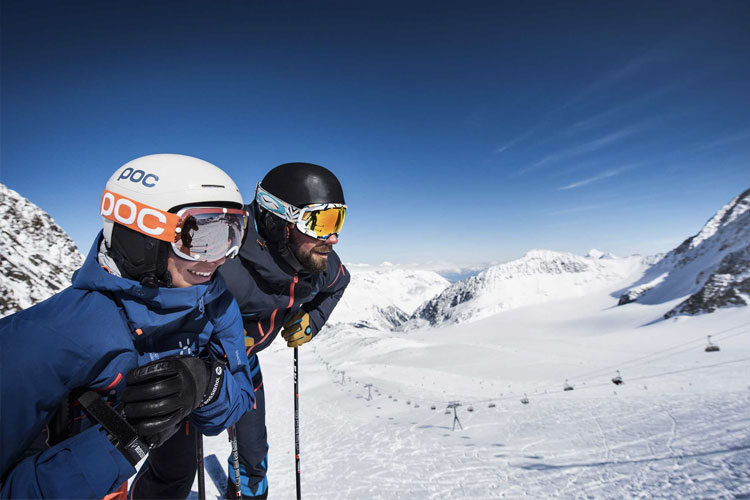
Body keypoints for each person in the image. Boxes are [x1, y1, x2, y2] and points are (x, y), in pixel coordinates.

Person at [0, 154, 255, 499]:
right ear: (141, 234)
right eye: (201, 236)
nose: (220, 257)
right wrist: (123, 439)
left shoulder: (214, 302)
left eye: (232, 234)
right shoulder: (38, 342)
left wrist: (206, 384)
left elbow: (236, 401)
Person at [218, 162, 350, 498]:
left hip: (243, 364)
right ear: (279, 221)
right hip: (190, 369)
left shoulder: (315, 263)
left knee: (252, 453)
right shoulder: (220, 258)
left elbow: (339, 282)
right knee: (173, 470)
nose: (333, 237)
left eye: (338, 220)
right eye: (319, 222)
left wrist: (312, 318)